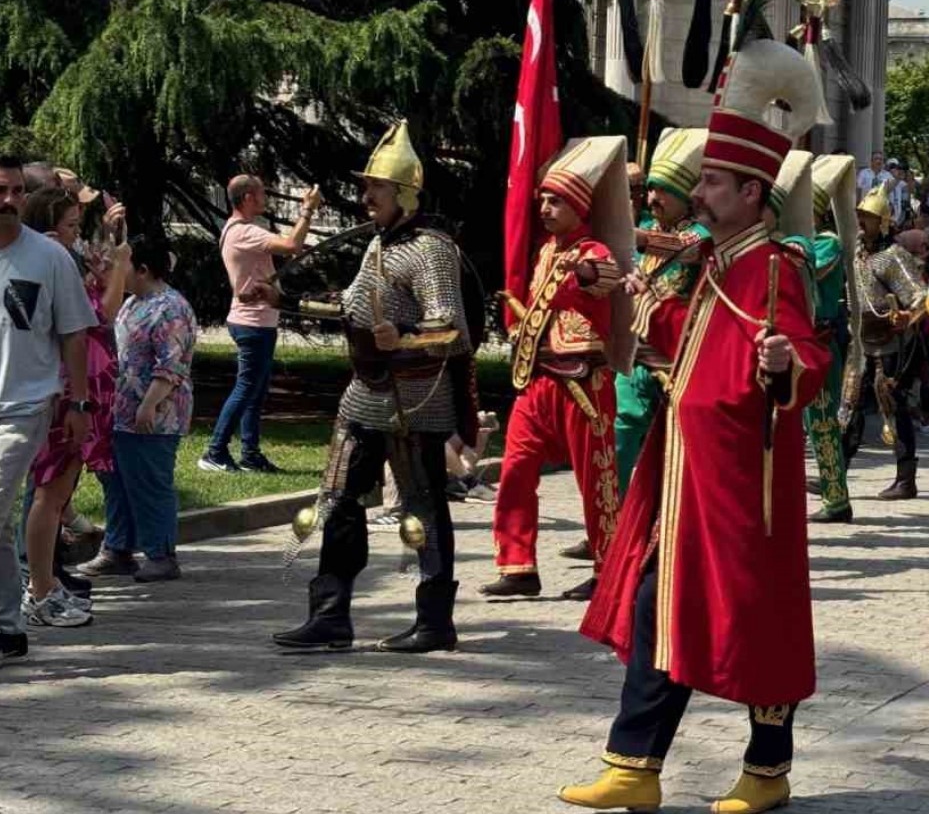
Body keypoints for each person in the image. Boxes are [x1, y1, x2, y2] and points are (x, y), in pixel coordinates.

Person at [560, 38, 829, 814]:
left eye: (711, 181)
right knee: (657, 608)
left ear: (751, 191)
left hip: (746, 486)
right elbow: (676, 335)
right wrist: (624, 293)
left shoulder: (774, 266)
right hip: (681, 473)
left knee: (754, 619)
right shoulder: (708, 261)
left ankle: (768, 771)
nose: (698, 192)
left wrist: (782, 366)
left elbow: (805, 356)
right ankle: (635, 767)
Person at [273, 122, 476, 654]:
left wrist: (404, 337)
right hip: (365, 393)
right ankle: (330, 616)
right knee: (338, 501)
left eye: (375, 189)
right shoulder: (383, 243)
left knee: (423, 506)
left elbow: (453, 329)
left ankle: (435, 621)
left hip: (414, 401)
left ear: (405, 193)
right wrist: (293, 303)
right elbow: (358, 303)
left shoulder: (432, 249)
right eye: (366, 188)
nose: (365, 198)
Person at [486, 137, 631, 602]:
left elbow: (605, 277)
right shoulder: (545, 251)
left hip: (584, 382)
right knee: (514, 469)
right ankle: (517, 565)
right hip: (539, 380)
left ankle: (608, 567)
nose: (545, 207)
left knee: (597, 480)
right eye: (543, 199)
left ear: (578, 207)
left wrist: (585, 275)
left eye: (556, 201)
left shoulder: (594, 251)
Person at [0, 155, 97, 670]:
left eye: (15, 192)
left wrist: (77, 401)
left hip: (24, 406)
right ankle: (8, 629)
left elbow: (75, 333)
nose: (8, 201)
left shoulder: (49, 259)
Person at [20, 189, 128, 625]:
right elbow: (99, 315)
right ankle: (39, 589)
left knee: (60, 493)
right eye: (70, 226)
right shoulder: (50, 264)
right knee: (49, 494)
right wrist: (120, 268)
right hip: (65, 395)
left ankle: (46, 581)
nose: (76, 236)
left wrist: (108, 244)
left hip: (79, 392)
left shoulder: (62, 263)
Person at [614, 128, 711, 526]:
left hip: (680, 363)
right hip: (637, 356)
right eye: (649, 190)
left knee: (681, 450)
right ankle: (610, 525)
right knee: (617, 436)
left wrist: (627, 235)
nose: (652, 198)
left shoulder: (700, 232)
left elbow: (682, 249)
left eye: (662, 191)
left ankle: (674, 527)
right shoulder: (652, 231)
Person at [200, 175, 322, 474]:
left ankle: (250, 454)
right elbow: (293, 244)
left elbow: (286, 247)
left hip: (256, 322)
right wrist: (307, 210)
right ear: (247, 199)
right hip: (252, 324)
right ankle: (214, 451)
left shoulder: (235, 230)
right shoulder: (246, 232)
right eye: (261, 192)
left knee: (255, 391)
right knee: (245, 389)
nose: (265, 197)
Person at [108, 236, 198, 583]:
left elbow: (172, 365)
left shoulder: (171, 308)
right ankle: (118, 548)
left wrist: (149, 404)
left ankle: (161, 554)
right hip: (122, 413)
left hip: (155, 417)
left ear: (142, 269)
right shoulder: (132, 303)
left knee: (150, 484)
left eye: (125, 265)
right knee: (119, 483)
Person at [842, 184, 926, 501]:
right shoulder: (854, 251)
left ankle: (906, 479)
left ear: (884, 221)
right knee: (848, 408)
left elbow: (919, 297)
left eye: (868, 217)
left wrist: (906, 317)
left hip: (888, 345)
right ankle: (836, 475)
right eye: (859, 216)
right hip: (859, 340)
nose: (861, 222)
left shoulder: (892, 257)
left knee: (895, 408)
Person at [805, 155, 860, 524]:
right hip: (790, 343)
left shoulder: (827, 243)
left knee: (823, 421)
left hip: (820, 341)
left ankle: (836, 499)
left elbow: (808, 269)